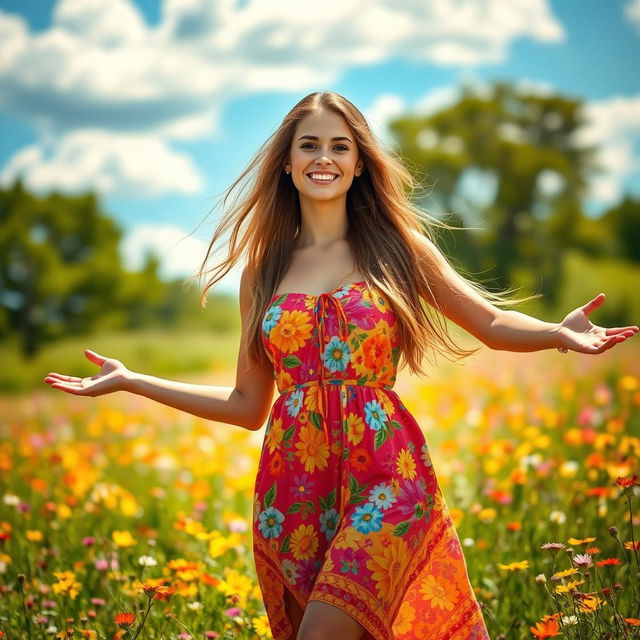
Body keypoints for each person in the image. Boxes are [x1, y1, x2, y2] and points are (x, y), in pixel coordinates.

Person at [44, 91, 638, 640]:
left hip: (388, 479)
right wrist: (131, 381)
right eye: (309, 144)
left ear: (359, 164)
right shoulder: (263, 273)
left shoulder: (397, 250)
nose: (323, 157)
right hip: (294, 493)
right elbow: (247, 406)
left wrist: (557, 334)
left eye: (339, 145)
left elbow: (489, 323)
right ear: (285, 163)